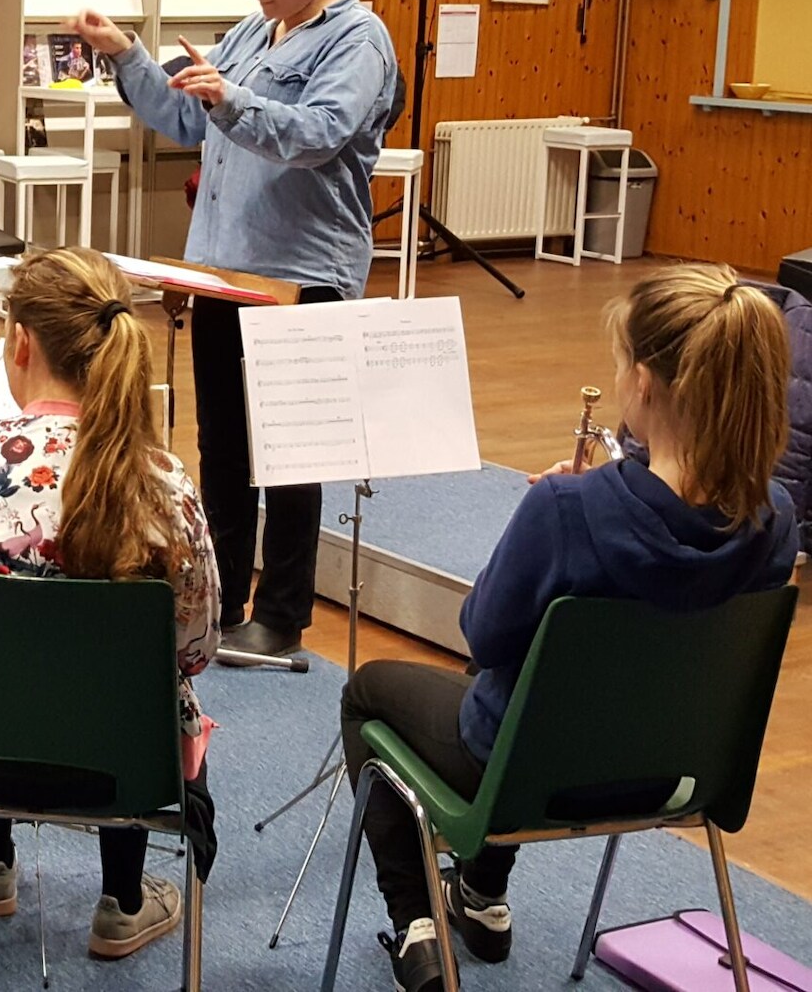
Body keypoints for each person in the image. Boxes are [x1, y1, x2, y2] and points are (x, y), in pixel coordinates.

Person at [341, 265, 800, 992]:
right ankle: (482, 898)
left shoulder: (565, 509)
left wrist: (560, 512)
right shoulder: (775, 521)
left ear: (645, 385)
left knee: (370, 692)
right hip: (672, 771)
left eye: (621, 365)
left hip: (530, 775)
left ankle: (418, 924)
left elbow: (484, 633)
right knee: (517, 679)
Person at [66, 0, 397, 659]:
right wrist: (126, 53)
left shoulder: (358, 40)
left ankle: (282, 616)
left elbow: (318, 136)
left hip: (302, 272)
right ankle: (220, 596)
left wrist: (235, 96)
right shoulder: (254, 30)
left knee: (292, 451)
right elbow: (188, 118)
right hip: (223, 268)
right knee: (226, 443)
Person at [0, 247, 219, 963]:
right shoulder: (163, 482)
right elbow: (196, 650)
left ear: (20, 343)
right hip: (119, 765)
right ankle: (123, 901)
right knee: (137, 679)